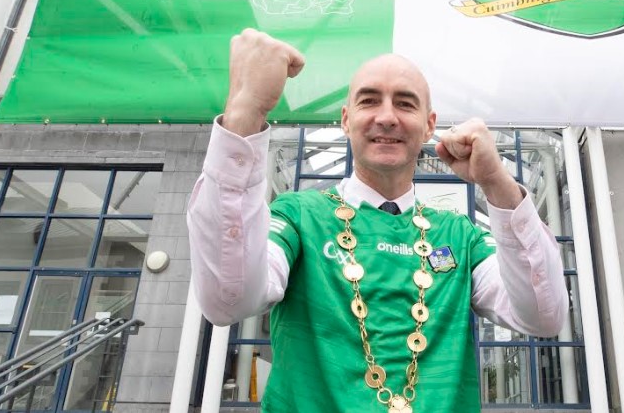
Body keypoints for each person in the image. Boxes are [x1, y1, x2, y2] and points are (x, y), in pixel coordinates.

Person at [187, 29, 568, 413]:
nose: (387, 117)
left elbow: (544, 314)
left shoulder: (459, 235)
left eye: (405, 104)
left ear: (429, 124)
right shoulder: (298, 216)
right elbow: (226, 300)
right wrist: (244, 113)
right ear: (346, 119)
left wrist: (497, 182)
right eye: (370, 101)